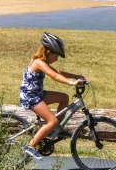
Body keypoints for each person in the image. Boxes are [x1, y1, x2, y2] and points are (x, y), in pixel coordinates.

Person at [20, 32, 85, 160]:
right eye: (56, 55)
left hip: (38, 94)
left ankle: (56, 130)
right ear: (49, 52)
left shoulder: (42, 62)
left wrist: (75, 76)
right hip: (31, 97)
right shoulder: (38, 62)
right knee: (52, 120)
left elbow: (58, 72)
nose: (57, 59)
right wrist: (72, 82)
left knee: (64, 98)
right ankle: (31, 146)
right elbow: (54, 76)